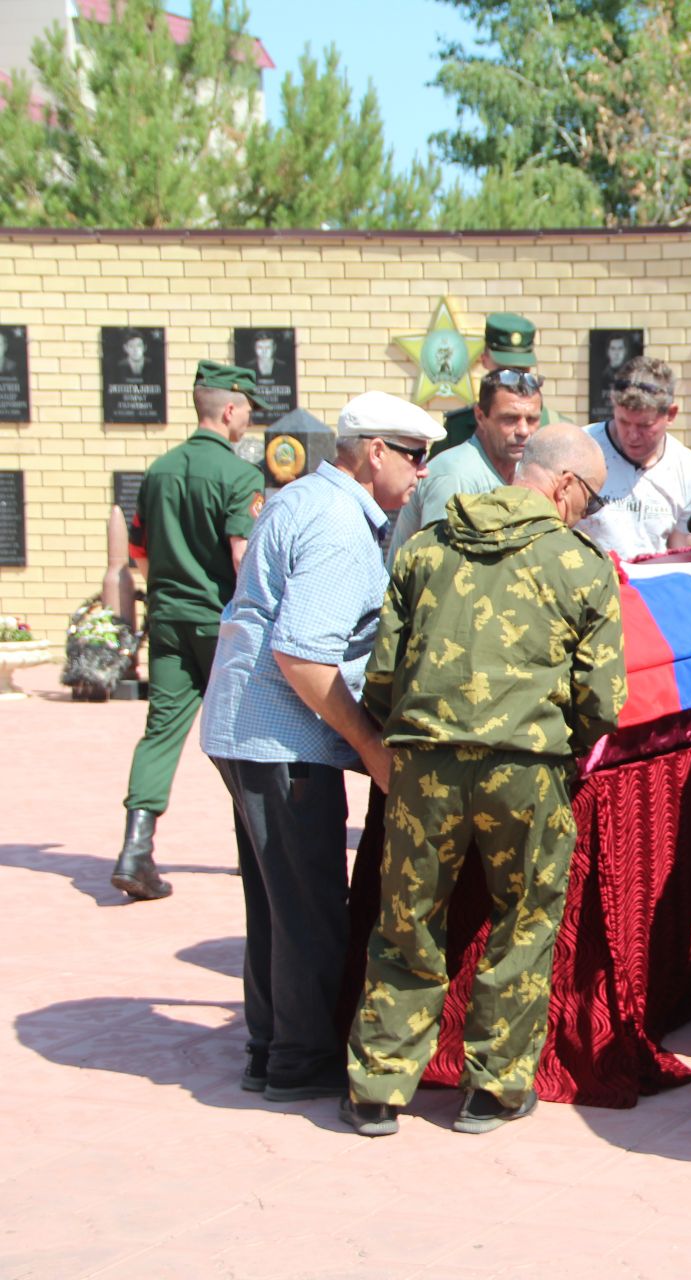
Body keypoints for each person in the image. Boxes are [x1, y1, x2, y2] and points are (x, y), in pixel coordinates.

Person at [342, 423, 626, 1138]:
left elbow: (381, 675)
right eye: (588, 499)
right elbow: (602, 698)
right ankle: (494, 1089)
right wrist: (558, 748)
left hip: (424, 766)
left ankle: (378, 1086)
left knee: (406, 921)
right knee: (525, 923)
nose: (586, 513)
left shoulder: (425, 548)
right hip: (526, 771)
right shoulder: (580, 565)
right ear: (564, 486)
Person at [198, 392, 441, 1100]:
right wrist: (369, 746)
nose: (422, 473)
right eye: (415, 456)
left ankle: (271, 1049)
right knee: (307, 910)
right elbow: (304, 655)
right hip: (283, 737)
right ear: (375, 453)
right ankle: (301, 1063)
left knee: (276, 901)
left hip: (251, 730)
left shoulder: (306, 497)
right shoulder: (339, 524)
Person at [111, 360, 267, 901]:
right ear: (229, 410)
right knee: (242, 739)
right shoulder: (240, 474)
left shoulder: (158, 470)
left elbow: (139, 551)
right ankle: (259, 853)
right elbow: (242, 556)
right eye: (247, 410)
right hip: (220, 626)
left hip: (169, 622)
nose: (248, 420)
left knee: (161, 732)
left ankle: (136, 848)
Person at [386, 367, 544, 562]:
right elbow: (440, 568)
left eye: (532, 419)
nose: (523, 430)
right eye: (509, 419)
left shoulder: (524, 470)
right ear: (480, 416)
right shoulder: (455, 475)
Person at [575, 355, 691, 559]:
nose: (632, 435)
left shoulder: (688, 468)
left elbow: (681, 551)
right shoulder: (581, 448)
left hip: (650, 584)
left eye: (645, 425)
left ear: (671, 414)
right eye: (623, 422)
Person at [430, 313, 545, 460]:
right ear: (484, 360)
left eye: (521, 370)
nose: (513, 380)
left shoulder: (556, 425)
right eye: (504, 371)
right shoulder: (459, 427)